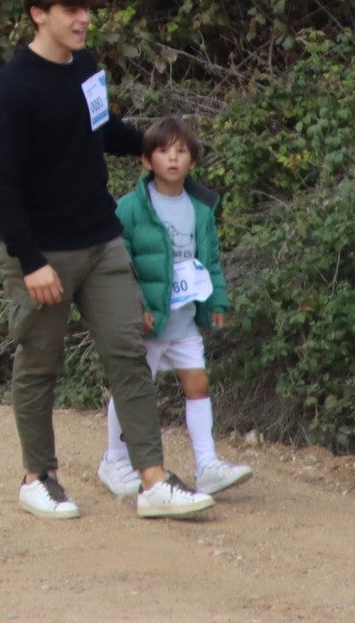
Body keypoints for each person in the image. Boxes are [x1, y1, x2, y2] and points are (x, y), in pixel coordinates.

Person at [0, 0, 214, 521]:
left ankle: (153, 481)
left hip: (102, 240)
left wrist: (152, 149)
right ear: (39, 15)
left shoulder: (85, 66)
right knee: (40, 365)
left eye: (87, 8)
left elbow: (100, 128)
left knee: (130, 357)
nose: (84, 19)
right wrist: (31, 261)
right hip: (43, 255)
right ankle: (38, 477)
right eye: (71, 10)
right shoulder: (12, 89)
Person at [103, 116, 251, 499]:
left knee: (198, 382)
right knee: (133, 387)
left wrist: (217, 299)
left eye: (181, 151)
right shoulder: (130, 209)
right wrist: (135, 308)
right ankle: (116, 459)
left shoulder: (201, 209)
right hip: (149, 320)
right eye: (163, 151)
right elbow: (120, 262)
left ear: (192, 161)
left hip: (185, 319)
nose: (173, 158)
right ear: (146, 161)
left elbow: (211, 259)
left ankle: (207, 465)